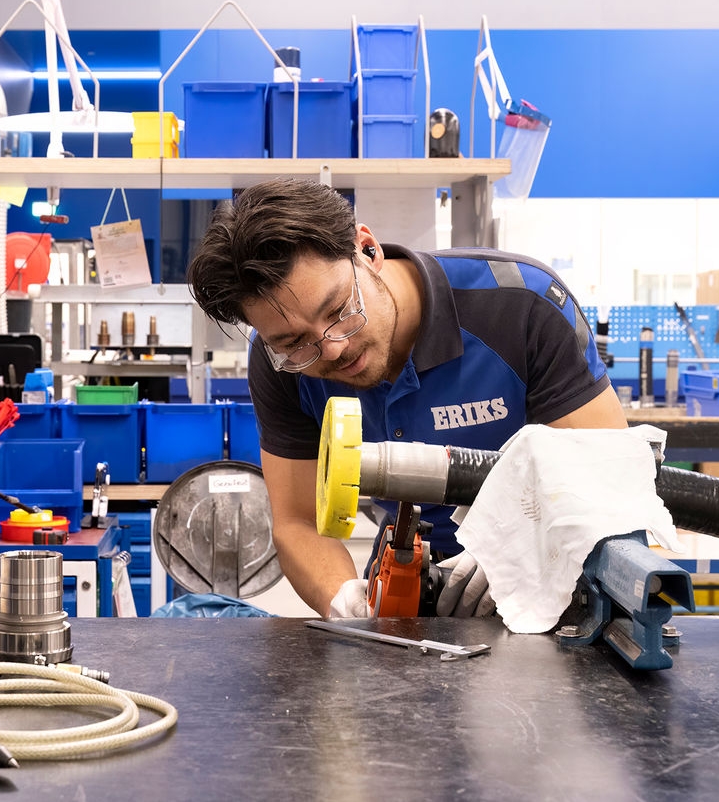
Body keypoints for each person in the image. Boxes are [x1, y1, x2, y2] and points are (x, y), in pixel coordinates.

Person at [185, 179, 627, 619]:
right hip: (408, 587)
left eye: (338, 310)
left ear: (367, 250)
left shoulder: (521, 305)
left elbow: (607, 484)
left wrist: (521, 552)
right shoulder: (280, 361)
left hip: (558, 592)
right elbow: (298, 521)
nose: (333, 348)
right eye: (296, 341)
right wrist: (346, 601)